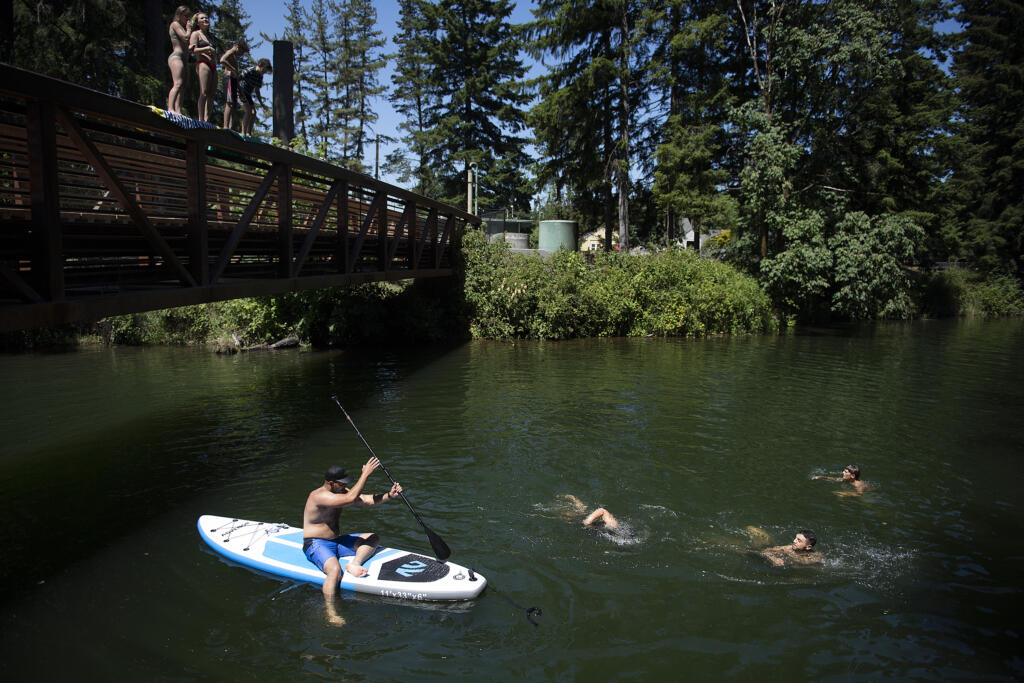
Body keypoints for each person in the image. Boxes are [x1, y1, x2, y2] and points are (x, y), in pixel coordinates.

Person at [302, 459, 402, 596]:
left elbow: (366, 500)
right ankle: (331, 613)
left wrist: (389, 495)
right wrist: (365, 474)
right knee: (335, 571)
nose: (345, 486)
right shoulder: (319, 496)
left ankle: (355, 564)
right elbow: (350, 498)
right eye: (343, 483)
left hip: (337, 541)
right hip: (316, 543)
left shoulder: (342, 492)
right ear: (331, 483)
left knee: (372, 538)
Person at [188, 12, 217, 122]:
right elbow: (192, 50)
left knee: (212, 94)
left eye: (206, 18)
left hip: (213, 65)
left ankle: (207, 119)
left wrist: (213, 54)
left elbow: (213, 52)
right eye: (202, 18)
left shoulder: (210, 37)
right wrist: (207, 49)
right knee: (204, 92)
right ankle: (200, 118)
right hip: (203, 63)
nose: (205, 19)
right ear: (198, 22)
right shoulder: (196, 34)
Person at [750, 527, 822, 567]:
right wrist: (773, 558)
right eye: (795, 538)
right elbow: (765, 551)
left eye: (799, 541)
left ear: (808, 547)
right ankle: (764, 537)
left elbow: (803, 562)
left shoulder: (816, 557)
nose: (794, 541)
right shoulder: (788, 548)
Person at [166, 6, 191, 114]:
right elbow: (185, 38)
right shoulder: (175, 24)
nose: (188, 18)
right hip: (176, 56)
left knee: (183, 86)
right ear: (179, 15)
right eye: (186, 16)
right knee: (178, 83)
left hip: (184, 59)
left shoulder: (182, 27)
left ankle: (178, 110)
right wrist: (189, 28)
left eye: (189, 16)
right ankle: (170, 108)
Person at [237, 58, 273, 136]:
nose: (263, 73)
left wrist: (262, 104)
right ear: (260, 65)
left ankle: (248, 132)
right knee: (248, 111)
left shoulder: (260, 77)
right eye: (263, 70)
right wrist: (240, 93)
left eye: (265, 72)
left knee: (253, 113)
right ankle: (243, 132)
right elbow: (237, 79)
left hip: (248, 94)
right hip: (240, 91)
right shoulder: (249, 70)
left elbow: (257, 91)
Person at [219, 39, 248, 130]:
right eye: (242, 51)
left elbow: (236, 76)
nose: (241, 54)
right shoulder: (230, 52)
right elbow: (222, 60)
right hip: (229, 79)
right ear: (237, 47)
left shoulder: (234, 56)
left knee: (233, 105)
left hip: (234, 81)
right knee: (230, 103)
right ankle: (226, 126)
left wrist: (240, 90)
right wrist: (232, 69)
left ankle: (230, 126)